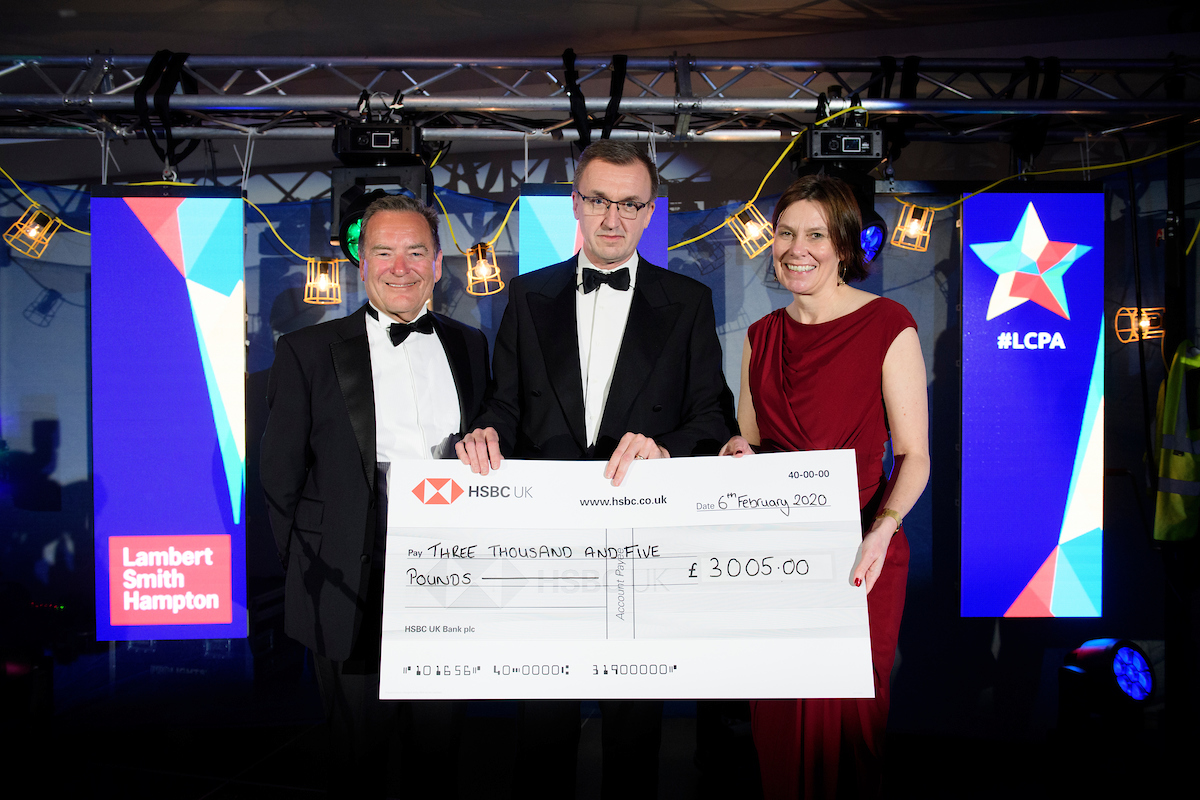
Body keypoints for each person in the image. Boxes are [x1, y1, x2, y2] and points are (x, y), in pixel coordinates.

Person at [456, 139, 736, 799]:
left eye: (630, 204)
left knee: (635, 744)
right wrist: (484, 435)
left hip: (642, 553)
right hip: (547, 552)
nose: (613, 219)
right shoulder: (526, 297)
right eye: (600, 201)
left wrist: (665, 450)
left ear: (649, 213)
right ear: (577, 204)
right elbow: (504, 404)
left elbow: (711, 419)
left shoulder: (688, 301)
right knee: (542, 737)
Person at [260, 194, 489, 799]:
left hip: (448, 581)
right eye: (383, 252)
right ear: (360, 264)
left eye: (416, 252)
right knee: (358, 756)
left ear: (439, 264)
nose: (400, 266)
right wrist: (317, 562)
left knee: (439, 753)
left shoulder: (471, 347)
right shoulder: (307, 352)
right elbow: (278, 479)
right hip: (348, 582)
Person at [719, 174, 930, 799]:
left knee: (850, 731)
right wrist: (737, 454)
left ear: (843, 245)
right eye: (786, 233)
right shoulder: (760, 338)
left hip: (861, 557)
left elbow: (916, 456)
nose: (796, 249)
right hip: (779, 560)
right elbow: (752, 445)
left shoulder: (889, 323)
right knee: (779, 726)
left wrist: (882, 531)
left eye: (815, 234)